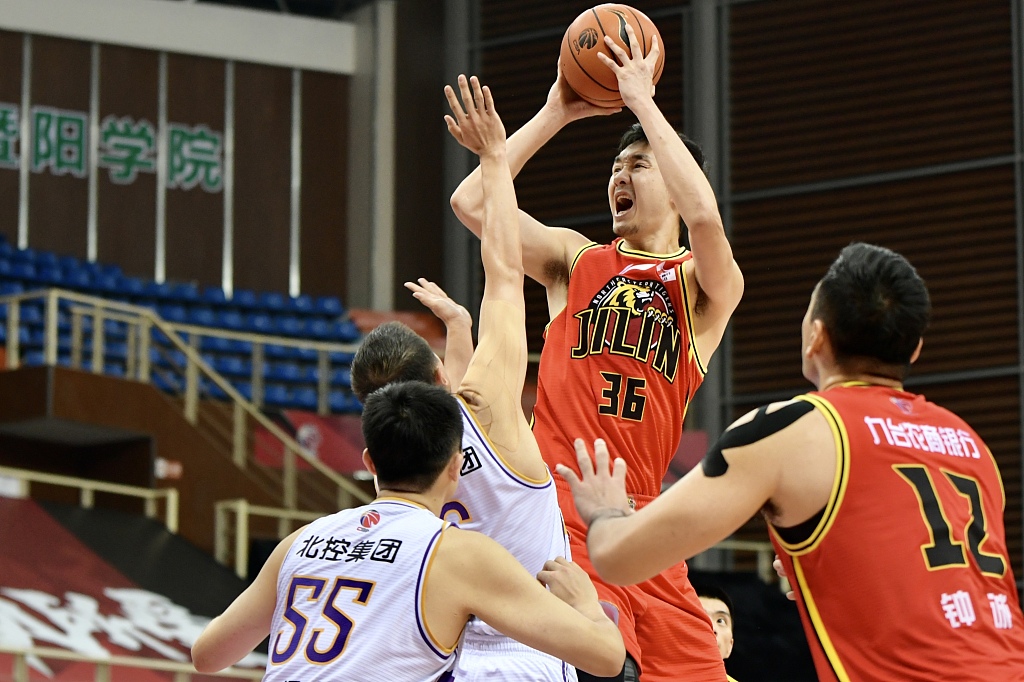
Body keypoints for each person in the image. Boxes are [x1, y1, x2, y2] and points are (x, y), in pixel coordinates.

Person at [560, 243, 1024, 681]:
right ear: (915, 349)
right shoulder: (969, 445)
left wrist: (605, 513)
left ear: (815, 336)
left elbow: (618, 559)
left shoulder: (793, 429)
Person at [450, 23, 742, 682]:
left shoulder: (702, 288)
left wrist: (641, 100)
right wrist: (557, 108)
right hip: (560, 507)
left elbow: (706, 219)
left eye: (638, 164)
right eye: (615, 167)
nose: (619, 175)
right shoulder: (574, 259)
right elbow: (471, 202)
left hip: (642, 520)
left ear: (675, 180)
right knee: (605, 667)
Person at [348, 74, 589, 681]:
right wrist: (494, 157)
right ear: (438, 372)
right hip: (529, 653)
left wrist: (458, 327)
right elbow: (504, 274)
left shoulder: (390, 459)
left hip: (438, 657)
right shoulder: (483, 406)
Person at [191, 381, 625, 680]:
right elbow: (606, 658)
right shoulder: (459, 554)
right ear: (455, 467)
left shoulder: (300, 541)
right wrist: (586, 606)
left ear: (369, 462)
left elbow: (207, 655)